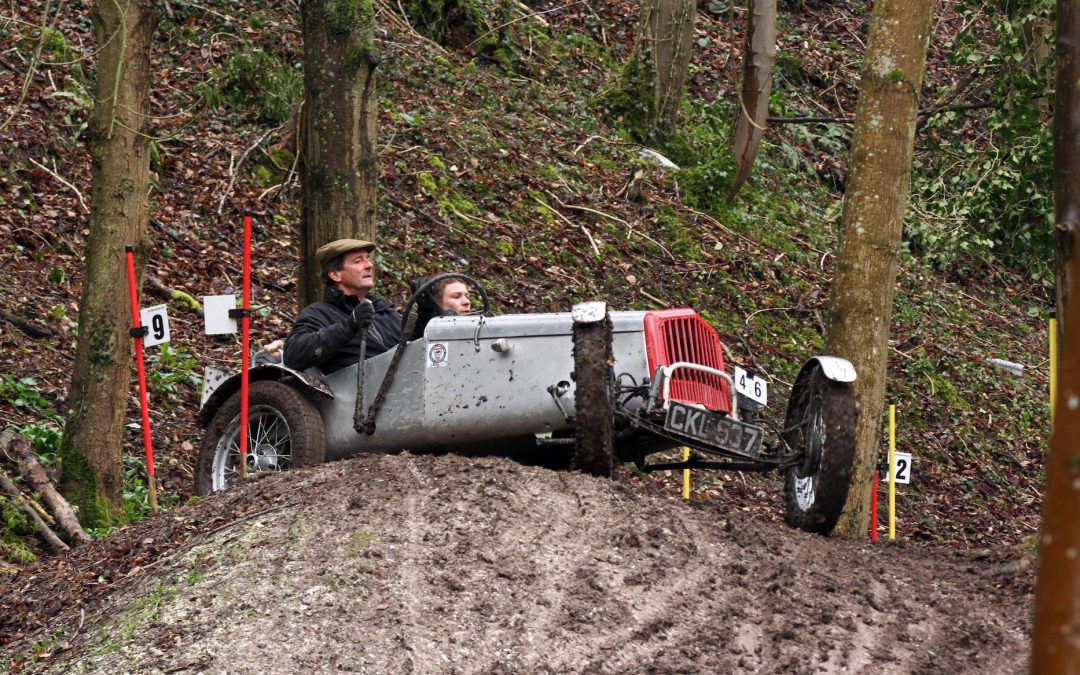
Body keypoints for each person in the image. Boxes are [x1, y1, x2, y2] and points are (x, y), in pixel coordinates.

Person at [283, 239, 405, 374]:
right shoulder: (318, 314)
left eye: (368, 259)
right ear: (335, 274)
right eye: (358, 261)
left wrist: (423, 312)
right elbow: (292, 355)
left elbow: (415, 348)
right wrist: (349, 326)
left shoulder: (384, 310)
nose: (369, 265)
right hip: (358, 386)